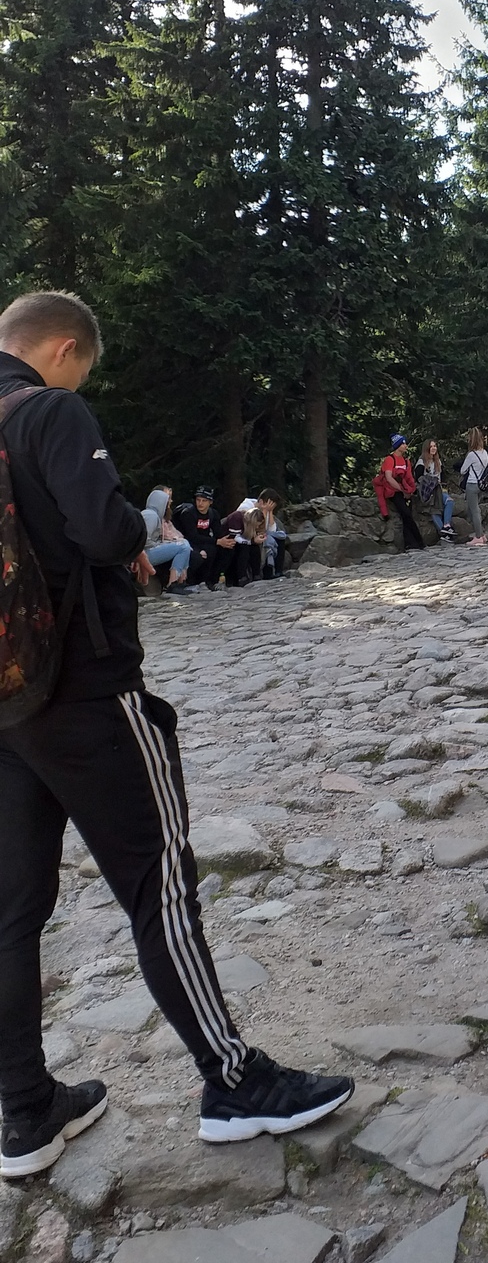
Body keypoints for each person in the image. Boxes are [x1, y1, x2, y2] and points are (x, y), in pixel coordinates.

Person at [0, 290, 352, 1178]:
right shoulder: (51, 412)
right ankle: (233, 1082)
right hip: (86, 691)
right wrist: (132, 521)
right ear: (66, 349)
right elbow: (103, 529)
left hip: (5, 707)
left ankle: (26, 1112)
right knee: (159, 884)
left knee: (11, 912)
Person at [174, 487, 238, 590]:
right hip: (190, 542)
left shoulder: (213, 514)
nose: (200, 503)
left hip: (206, 540)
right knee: (210, 550)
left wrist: (227, 540)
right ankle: (201, 581)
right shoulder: (188, 513)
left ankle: (216, 579)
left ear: (210, 502)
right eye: (198, 500)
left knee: (228, 549)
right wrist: (217, 541)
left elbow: (218, 533)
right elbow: (192, 536)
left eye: (204, 501)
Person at [141, 488, 196, 595]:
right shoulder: (151, 516)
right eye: (167, 502)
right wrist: (160, 544)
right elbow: (144, 540)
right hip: (144, 554)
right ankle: (173, 584)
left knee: (184, 543)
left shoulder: (152, 515)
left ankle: (180, 582)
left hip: (146, 551)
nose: (169, 504)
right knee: (183, 546)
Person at [414, 441, 454, 541]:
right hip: (428, 492)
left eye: (434, 446)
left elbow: (442, 478)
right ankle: (443, 533)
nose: (433, 448)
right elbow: (418, 479)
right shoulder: (421, 462)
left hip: (439, 490)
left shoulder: (438, 462)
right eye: (431, 446)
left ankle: (446, 526)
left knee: (449, 501)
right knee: (434, 510)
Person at [460, 428, 488, 547]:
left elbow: (462, 470)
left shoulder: (472, 455)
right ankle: (481, 534)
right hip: (481, 484)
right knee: (476, 510)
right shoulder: (485, 453)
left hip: (472, 484)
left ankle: (478, 537)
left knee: (474, 511)